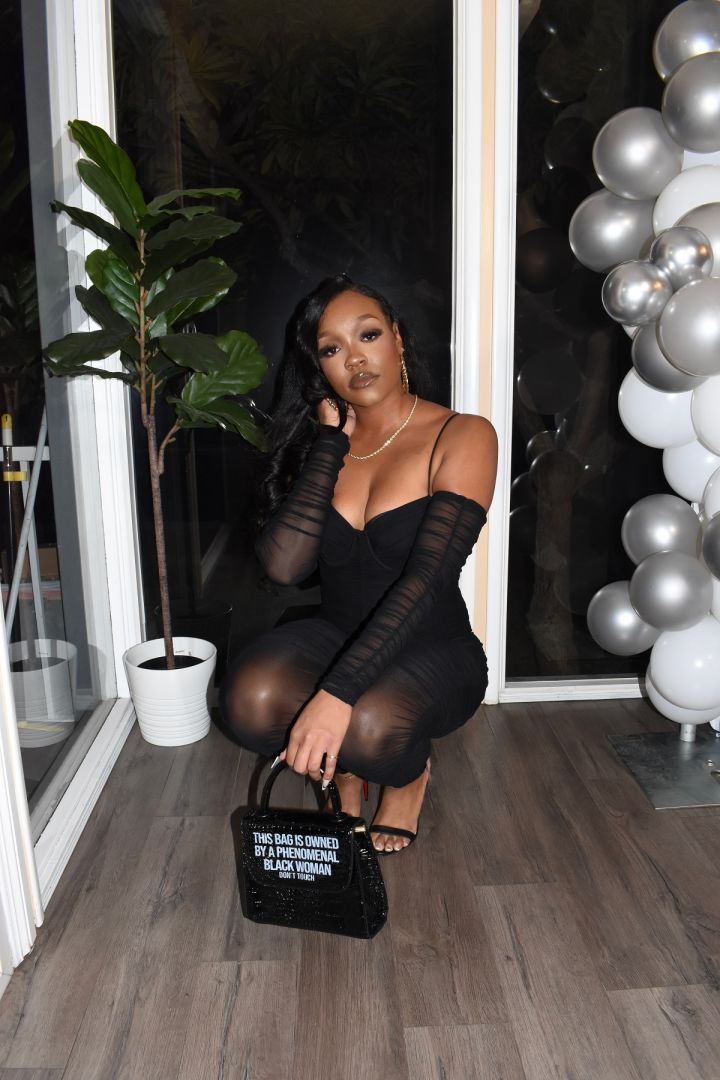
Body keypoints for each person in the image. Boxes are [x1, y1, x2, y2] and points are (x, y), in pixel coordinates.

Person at [220, 275, 497, 854]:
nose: (354, 358)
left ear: (397, 338)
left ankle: (407, 774)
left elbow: (427, 580)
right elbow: (285, 567)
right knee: (250, 698)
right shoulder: (324, 444)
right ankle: (344, 771)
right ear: (319, 367)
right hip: (336, 633)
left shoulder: (463, 435)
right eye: (331, 348)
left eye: (367, 335)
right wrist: (329, 445)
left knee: (371, 727)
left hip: (433, 646)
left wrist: (336, 694)